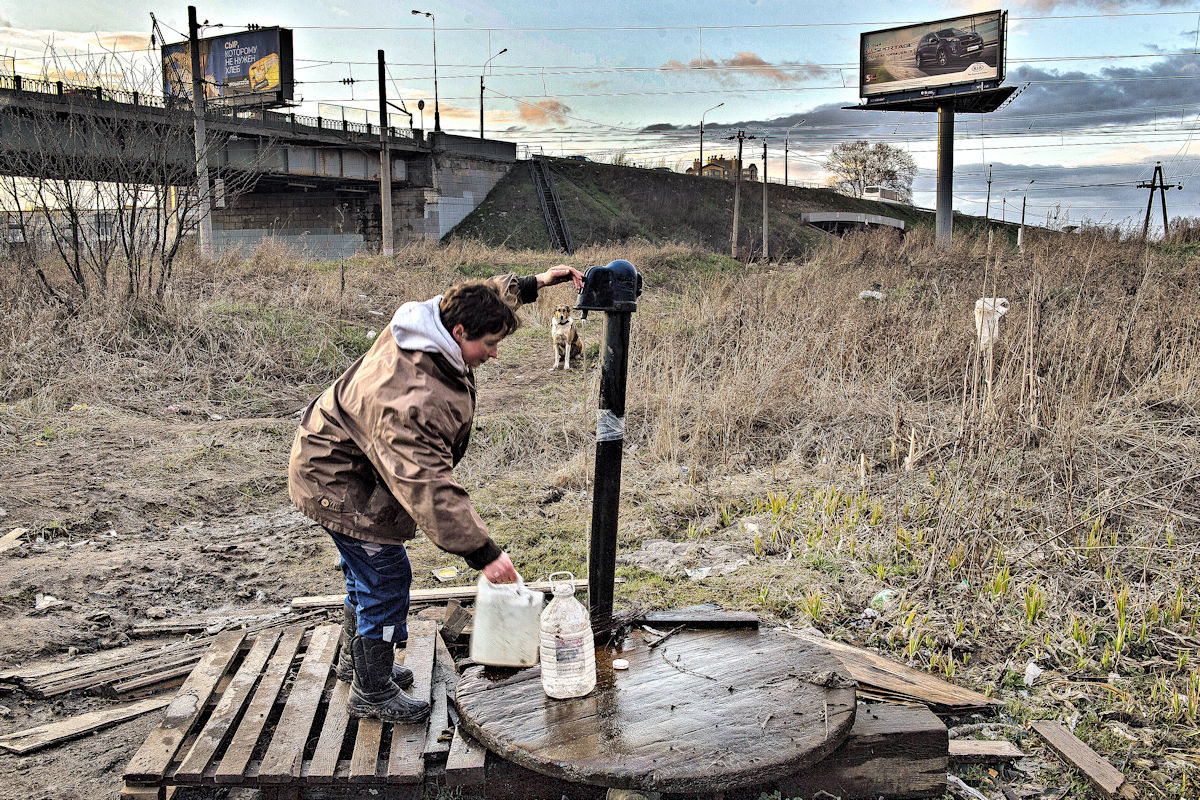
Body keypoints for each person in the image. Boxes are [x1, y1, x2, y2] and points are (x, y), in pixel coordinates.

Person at [287, 265, 584, 723]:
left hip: (343, 460)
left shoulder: (431, 321)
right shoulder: (415, 395)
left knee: (366, 572)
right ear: (460, 333)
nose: (495, 354)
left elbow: (486, 294)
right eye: (490, 344)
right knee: (385, 579)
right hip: (341, 481)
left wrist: (539, 282)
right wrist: (484, 553)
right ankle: (371, 691)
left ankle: (356, 663)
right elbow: (429, 486)